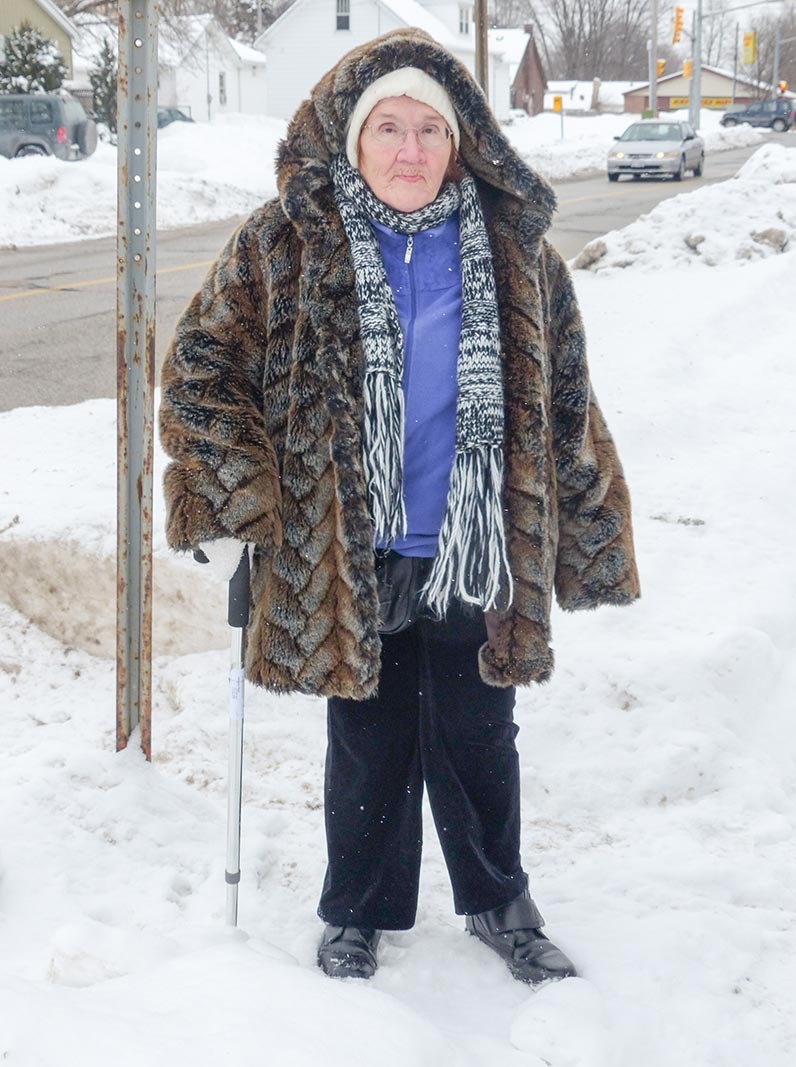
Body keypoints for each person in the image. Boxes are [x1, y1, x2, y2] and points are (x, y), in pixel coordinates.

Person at [159, 28, 640, 985]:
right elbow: (199, 371)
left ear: (460, 144)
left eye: (430, 129)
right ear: (352, 138)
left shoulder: (519, 257)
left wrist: (589, 533)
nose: (410, 149)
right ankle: (357, 911)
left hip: (477, 544)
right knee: (366, 733)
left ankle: (500, 900)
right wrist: (248, 497)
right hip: (349, 540)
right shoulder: (283, 243)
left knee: (479, 731)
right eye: (389, 127)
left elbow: (568, 404)